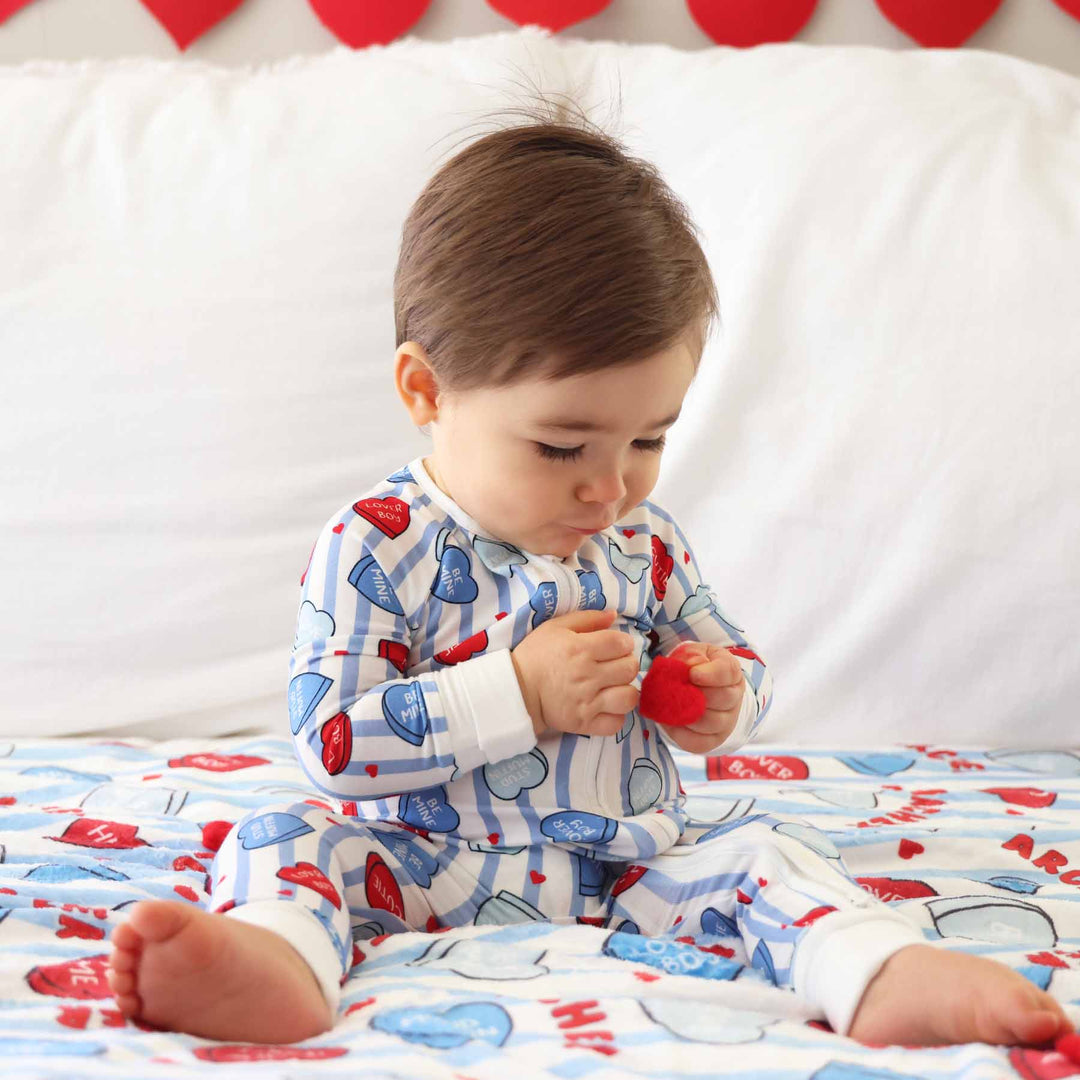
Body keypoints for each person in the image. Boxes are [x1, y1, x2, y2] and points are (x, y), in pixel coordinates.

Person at [107, 93, 1075, 1051]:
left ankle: (877, 971)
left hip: (626, 868)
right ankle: (275, 963)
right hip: (416, 861)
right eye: (562, 446)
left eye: (648, 439)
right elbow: (332, 743)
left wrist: (718, 696)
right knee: (282, 838)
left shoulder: (644, 544)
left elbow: (737, 661)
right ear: (426, 390)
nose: (610, 487)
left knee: (768, 856)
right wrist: (520, 693)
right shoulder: (377, 544)